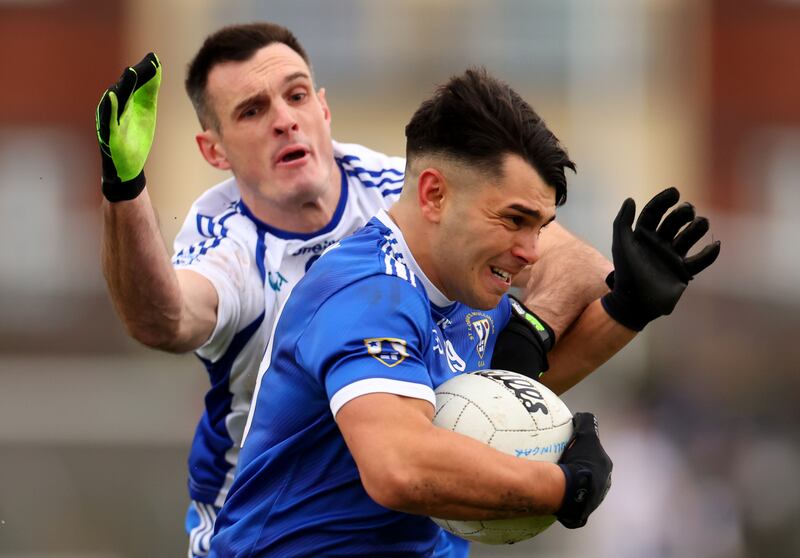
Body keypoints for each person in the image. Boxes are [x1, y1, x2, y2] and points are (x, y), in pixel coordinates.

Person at [94, 22, 661, 558]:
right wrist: (560, 487)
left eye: (295, 96)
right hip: (273, 525)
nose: (285, 120)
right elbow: (164, 320)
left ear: (323, 106)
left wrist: (617, 311)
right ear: (214, 151)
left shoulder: (423, 216)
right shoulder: (330, 274)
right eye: (251, 110)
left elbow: (558, 283)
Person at [208, 67, 720, 556]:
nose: (531, 251)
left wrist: (628, 309)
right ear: (434, 194)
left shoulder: (462, 292)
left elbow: (497, 397)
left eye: (539, 226)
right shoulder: (368, 292)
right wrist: (561, 487)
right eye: (514, 219)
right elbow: (398, 465)